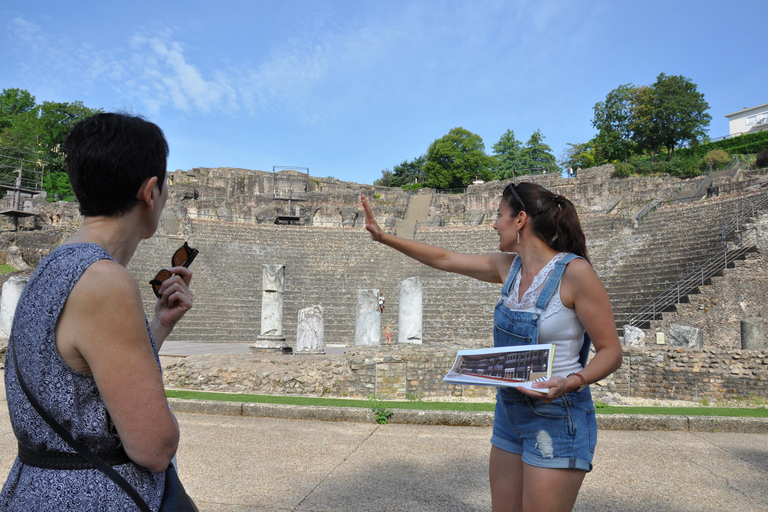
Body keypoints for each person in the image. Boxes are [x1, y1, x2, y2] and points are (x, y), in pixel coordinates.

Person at [361, 183, 622, 512]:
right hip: (509, 414)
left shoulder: (575, 273)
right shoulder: (509, 268)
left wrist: (571, 381)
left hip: (557, 416)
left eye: (499, 215)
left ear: (520, 220)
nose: (494, 223)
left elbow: (611, 351)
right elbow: (444, 258)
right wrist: (383, 237)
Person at [1, 113, 194, 511]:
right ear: (150, 192)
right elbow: (154, 447)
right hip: (92, 498)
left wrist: (157, 326)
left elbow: (78, 388)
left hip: (36, 491)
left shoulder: (53, 267)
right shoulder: (105, 280)